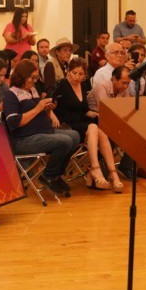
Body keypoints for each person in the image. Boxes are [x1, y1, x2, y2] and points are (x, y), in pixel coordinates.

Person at [3, 60, 80, 198]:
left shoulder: (32, 90)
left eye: (36, 78)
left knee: (75, 135)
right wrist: (38, 108)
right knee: (65, 141)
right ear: (22, 76)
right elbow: (13, 122)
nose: (34, 81)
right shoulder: (11, 94)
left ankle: (56, 175)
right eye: (32, 78)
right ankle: (48, 176)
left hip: (41, 132)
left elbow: (41, 115)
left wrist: (48, 110)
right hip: (23, 139)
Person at [53, 58, 122, 192]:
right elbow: (46, 103)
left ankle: (112, 173)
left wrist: (94, 113)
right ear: (68, 71)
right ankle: (95, 169)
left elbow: (83, 109)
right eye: (74, 73)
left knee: (101, 130)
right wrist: (52, 115)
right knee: (93, 127)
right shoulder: (61, 85)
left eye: (80, 74)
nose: (77, 77)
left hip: (82, 123)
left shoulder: (83, 85)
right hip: (66, 126)